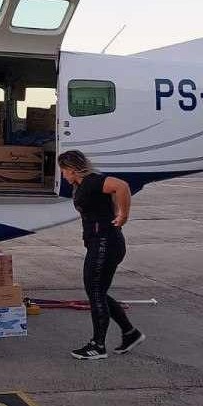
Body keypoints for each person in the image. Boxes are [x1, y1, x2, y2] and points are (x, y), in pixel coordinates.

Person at [58, 149, 144, 359]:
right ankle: (130, 333)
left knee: (95, 291)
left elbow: (121, 186)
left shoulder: (91, 181)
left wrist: (123, 214)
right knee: (98, 292)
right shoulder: (81, 186)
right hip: (101, 243)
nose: (62, 175)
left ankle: (98, 345)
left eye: (63, 171)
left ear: (71, 169)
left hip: (105, 243)